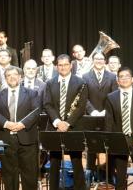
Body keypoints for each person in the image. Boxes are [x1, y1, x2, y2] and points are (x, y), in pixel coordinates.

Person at [43, 54, 88, 190]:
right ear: (57, 67)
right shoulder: (50, 83)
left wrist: (67, 123)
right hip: (55, 127)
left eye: (65, 65)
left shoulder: (81, 83)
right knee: (54, 161)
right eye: (60, 65)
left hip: (73, 127)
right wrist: (58, 122)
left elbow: (81, 107)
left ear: (71, 66)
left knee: (76, 160)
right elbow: (47, 104)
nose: (63, 67)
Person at [0, 67, 40, 190]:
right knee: (9, 175)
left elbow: (35, 112)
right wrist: (7, 123)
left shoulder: (31, 93)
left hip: (27, 139)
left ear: (20, 77)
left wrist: (21, 124)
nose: (12, 77)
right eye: (8, 75)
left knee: (29, 175)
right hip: (6, 139)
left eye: (15, 75)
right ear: (5, 78)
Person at [104, 67, 133, 190]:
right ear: (117, 80)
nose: (124, 78)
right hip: (119, 140)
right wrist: (110, 141)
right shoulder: (111, 97)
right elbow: (109, 121)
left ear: (132, 79)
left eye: (127, 76)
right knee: (120, 176)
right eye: (121, 76)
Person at [82, 53, 117, 182]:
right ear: (93, 61)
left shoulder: (113, 77)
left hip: (108, 116)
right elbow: (83, 97)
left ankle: (110, 173)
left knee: (110, 144)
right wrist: (93, 111)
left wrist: (106, 111)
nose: (99, 61)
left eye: (101, 59)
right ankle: (89, 173)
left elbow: (114, 96)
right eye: (96, 59)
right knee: (91, 145)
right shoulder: (85, 76)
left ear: (105, 61)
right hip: (91, 116)